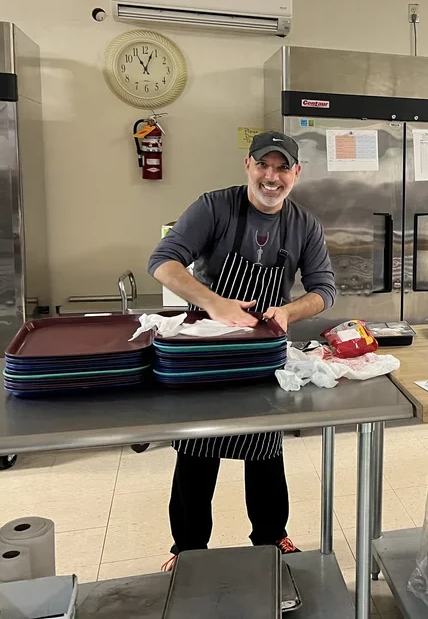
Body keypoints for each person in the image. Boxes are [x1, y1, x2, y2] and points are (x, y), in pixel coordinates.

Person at [149, 131, 336, 564]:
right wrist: (216, 305)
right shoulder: (214, 207)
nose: (272, 177)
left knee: (265, 449)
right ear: (248, 167)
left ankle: (272, 538)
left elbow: (324, 289)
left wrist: (289, 312)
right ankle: (188, 548)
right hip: (207, 351)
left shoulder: (304, 224)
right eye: (263, 166)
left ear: (296, 173)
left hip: (261, 353)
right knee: (197, 451)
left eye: (282, 168)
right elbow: (163, 261)